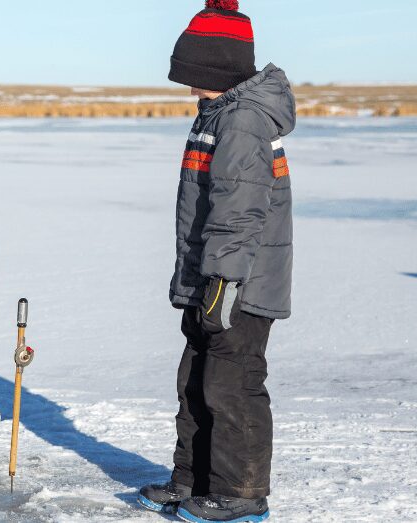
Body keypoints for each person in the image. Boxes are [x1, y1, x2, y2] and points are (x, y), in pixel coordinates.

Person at [138, 1, 296, 522]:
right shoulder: (218, 113)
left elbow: (240, 208)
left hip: (240, 285)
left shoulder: (244, 120)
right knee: (194, 379)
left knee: (231, 385)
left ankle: (240, 494)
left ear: (220, 70)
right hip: (209, 277)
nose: (188, 89)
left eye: (194, 77)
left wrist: (224, 282)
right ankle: (194, 479)